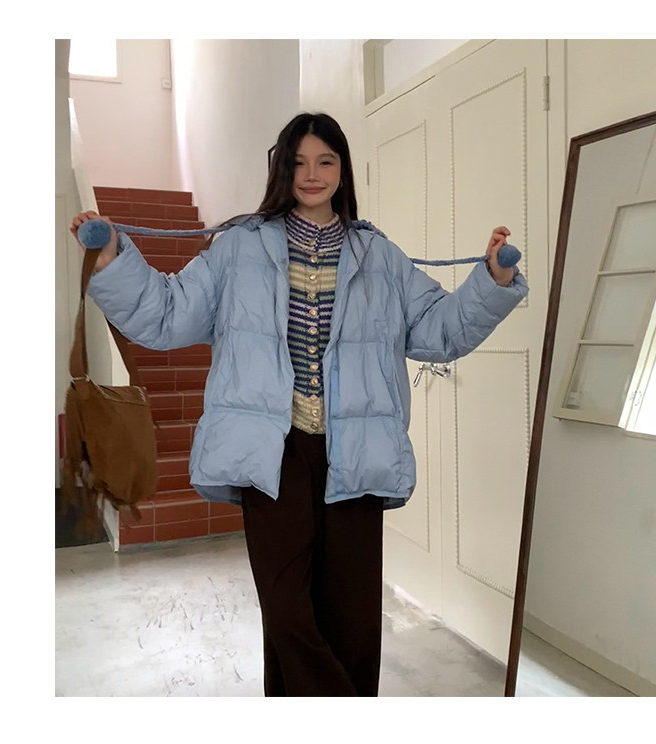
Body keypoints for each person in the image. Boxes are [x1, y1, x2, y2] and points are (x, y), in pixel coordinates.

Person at [70, 112, 528, 697]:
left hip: (357, 451)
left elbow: (441, 330)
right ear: (281, 169)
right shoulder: (238, 247)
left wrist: (490, 281)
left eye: (325, 161)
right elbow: (167, 313)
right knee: (286, 613)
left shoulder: (378, 255)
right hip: (273, 453)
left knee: (353, 620)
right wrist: (113, 259)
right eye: (298, 162)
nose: (312, 174)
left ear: (342, 170)